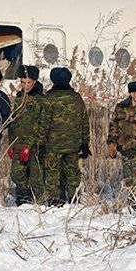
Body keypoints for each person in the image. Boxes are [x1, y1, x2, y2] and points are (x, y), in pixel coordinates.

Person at [42, 67, 89, 204]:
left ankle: (55, 202)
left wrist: (41, 142)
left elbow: (44, 123)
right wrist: (85, 143)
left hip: (53, 145)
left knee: (52, 175)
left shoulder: (49, 98)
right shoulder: (76, 98)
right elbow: (84, 122)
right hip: (73, 145)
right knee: (73, 174)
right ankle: (74, 200)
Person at [106, 81, 136, 200]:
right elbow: (113, 126)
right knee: (129, 180)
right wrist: (112, 144)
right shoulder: (121, 107)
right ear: (132, 94)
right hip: (126, 150)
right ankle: (132, 205)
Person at [8, 65, 46, 205]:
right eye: (23, 82)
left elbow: (43, 125)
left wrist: (31, 146)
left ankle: (39, 204)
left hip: (35, 145)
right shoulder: (19, 99)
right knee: (16, 173)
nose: (25, 85)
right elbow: (13, 124)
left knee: (36, 177)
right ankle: (23, 198)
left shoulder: (41, 100)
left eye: (28, 82)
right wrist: (11, 144)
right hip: (19, 144)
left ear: (34, 82)